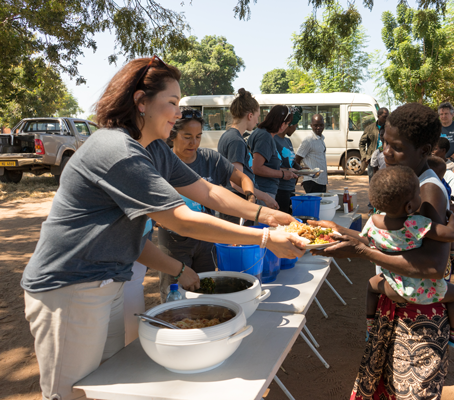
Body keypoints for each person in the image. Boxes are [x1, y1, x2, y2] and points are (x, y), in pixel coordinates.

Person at [21, 57, 305, 400]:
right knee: (71, 394)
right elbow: (180, 219)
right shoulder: (118, 150)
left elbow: (209, 191)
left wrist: (269, 216)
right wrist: (264, 238)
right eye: (171, 103)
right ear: (141, 102)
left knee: (108, 387)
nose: (177, 113)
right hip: (69, 289)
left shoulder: (153, 148)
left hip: (108, 283)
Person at [312, 103, 454, 399]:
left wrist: (361, 252)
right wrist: (337, 231)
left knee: (411, 391)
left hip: (419, 316)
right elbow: (388, 239)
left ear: (424, 149)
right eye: (384, 143)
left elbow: (432, 266)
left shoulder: (426, 193)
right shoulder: (404, 182)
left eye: (397, 147)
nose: (386, 152)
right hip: (398, 305)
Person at [157, 107, 260, 302]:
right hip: (174, 243)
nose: (193, 143)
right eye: (187, 136)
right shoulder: (162, 162)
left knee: (204, 292)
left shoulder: (210, 159)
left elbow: (243, 179)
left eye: (198, 136)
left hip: (206, 240)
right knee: (175, 297)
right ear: (173, 135)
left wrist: (250, 197)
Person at [362, 166, 454, 351]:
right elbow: (451, 234)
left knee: (371, 286)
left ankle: (370, 327)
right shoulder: (416, 223)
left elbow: (364, 240)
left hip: (391, 287)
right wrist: (451, 217)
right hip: (423, 289)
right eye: (418, 195)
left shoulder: (372, 221)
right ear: (410, 206)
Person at [218, 88, 279, 224]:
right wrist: (264, 196)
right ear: (250, 116)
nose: (257, 122)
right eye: (257, 117)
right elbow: (236, 181)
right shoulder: (236, 141)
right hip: (236, 204)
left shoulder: (228, 136)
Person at [248, 105, 298, 202]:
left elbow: (267, 165)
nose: (287, 127)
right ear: (282, 124)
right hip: (263, 190)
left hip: (264, 190)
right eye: (287, 124)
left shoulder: (264, 134)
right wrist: (282, 174)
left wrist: (287, 170)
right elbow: (256, 168)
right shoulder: (264, 136)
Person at [275, 107, 304, 213]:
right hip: (280, 189)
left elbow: (291, 163)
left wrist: (302, 169)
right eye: (296, 125)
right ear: (290, 124)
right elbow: (271, 165)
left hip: (290, 188)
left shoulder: (287, 141)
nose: (295, 129)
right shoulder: (274, 140)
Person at [295, 114, 328, 193]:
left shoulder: (321, 139)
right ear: (311, 125)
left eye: (321, 125)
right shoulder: (308, 140)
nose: (318, 128)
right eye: (316, 125)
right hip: (312, 181)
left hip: (321, 181)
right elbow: (297, 159)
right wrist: (300, 176)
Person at [360, 107, 389, 180]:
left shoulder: (389, 128)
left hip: (385, 160)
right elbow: (362, 143)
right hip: (372, 160)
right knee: (373, 182)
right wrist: (364, 157)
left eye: (388, 116)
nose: (387, 119)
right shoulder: (369, 128)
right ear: (378, 116)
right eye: (385, 117)